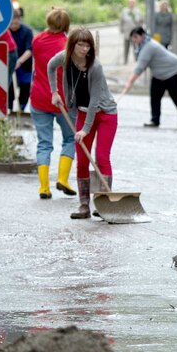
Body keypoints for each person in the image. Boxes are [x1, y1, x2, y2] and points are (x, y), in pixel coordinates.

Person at [47, 28, 118, 219]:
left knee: (101, 157)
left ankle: (104, 203)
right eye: (80, 44)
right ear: (72, 45)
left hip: (105, 114)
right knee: (82, 160)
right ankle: (84, 205)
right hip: (82, 113)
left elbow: (94, 101)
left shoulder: (95, 66)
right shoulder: (65, 58)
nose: (84, 49)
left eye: (88, 45)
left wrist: (85, 130)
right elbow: (50, 66)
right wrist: (54, 92)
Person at [30, 8, 76, 200]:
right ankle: (63, 179)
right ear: (66, 25)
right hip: (62, 100)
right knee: (71, 138)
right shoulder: (67, 45)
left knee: (44, 143)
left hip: (39, 98)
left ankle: (43, 187)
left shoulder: (37, 40)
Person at [123, 27, 177, 127]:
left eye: (136, 37)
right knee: (155, 96)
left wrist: (129, 82)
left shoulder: (149, 46)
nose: (134, 40)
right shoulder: (143, 45)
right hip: (159, 74)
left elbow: (139, 67)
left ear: (142, 35)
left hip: (173, 71)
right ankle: (155, 120)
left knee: (176, 96)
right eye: (133, 38)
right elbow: (143, 64)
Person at [9, 8, 34, 112]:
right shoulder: (5, 31)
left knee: (25, 87)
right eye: (12, 24)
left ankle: (21, 109)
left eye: (16, 24)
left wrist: (19, 61)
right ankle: (8, 108)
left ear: (20, 19)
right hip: (9, 63)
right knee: (9, 88)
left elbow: (30, 49)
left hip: (24, 63)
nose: (14, 26)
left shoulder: (27, 31)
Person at [119, 0, 143, 64]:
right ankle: (125, 61)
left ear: (135, 4)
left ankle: (137, 60)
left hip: (135, 33)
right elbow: (121, 21)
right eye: (130, 3)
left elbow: (141, 21)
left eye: (133, 3)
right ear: (128, 3)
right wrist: (121, 29)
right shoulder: (124, 11)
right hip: (127, 32)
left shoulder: (138, 11)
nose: (131, 4)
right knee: (126, 47)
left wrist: (140, 30)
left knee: (136, 47)